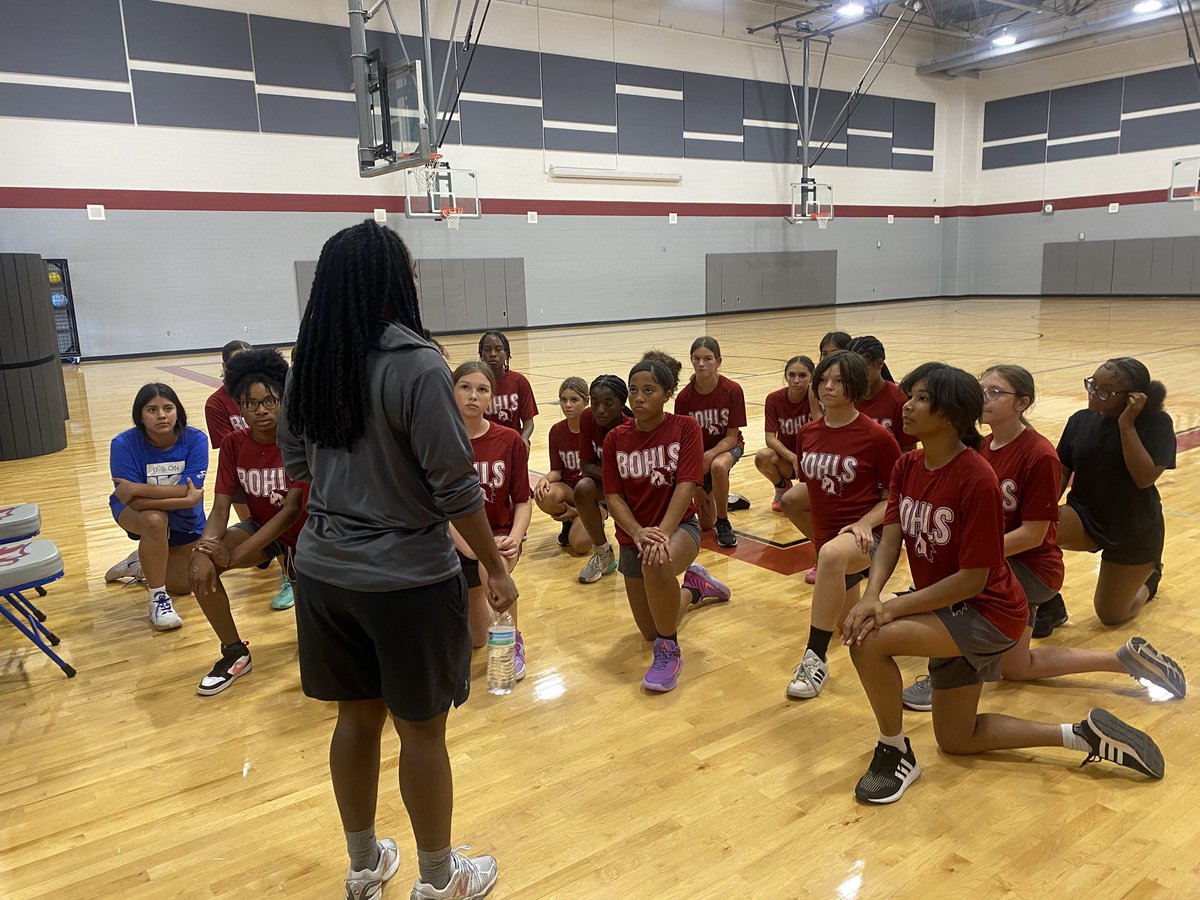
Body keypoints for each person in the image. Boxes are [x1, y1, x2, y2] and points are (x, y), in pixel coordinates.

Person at [278, 221, 513, 899]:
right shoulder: (416, 363)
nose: (414, 281)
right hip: (406, 579)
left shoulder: (309, 363)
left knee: (355, 719)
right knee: (422, 732)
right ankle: (439, 881)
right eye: (408, 271)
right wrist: (496, 566)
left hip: (323, 573)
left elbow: (299, 466)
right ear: (389, 280)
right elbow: (456, 485)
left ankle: (363, 867)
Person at [841, 362, 1164, 805]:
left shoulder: (977, 477)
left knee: (868, 640)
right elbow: (891, 539)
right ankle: (1081, 735)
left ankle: (894, 749)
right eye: (910, 395)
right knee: (958, 737)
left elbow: (974, 579)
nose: (907, 405)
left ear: (951, 414)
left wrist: (893, 607)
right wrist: (875, 594)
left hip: (988, 612)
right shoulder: (907, 466)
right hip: (950, 605)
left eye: (920, 398)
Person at [902, 365, 1185, 710]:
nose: (983, 398)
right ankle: (1122, 660)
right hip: (1042, 541)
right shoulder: (981, 448)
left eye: (995, 392)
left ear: (1022, 403)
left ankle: (948, 674)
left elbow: (1035, 533)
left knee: (967, 592)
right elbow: (1054, 491)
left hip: (1100, 542)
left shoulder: (1036, 452)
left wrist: (967, 555)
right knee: (1018, 668)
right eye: (981, 390)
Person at [603, 354, 730, 693]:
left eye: (649, 390)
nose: (639, 398)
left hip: (678, 529)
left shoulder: (685, 429)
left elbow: (686, 485)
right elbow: (614, 497)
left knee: (657, 567)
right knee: (651, 626)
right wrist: (637, 532)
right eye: (633, 391)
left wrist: (662, 532)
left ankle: (669, 652)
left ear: (667, 393)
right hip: (634, 537)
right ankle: (694, 588)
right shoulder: (615, 438)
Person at [187, 349, 309, 696]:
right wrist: (205, 548)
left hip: (307, 537)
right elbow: (221, 506)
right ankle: (234, 652)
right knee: (199, 568)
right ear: (238, 408)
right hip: (264, 531)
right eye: (250, 404)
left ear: (283, 400)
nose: (261, 411)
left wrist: (236, 553)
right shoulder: (233, 443)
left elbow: (291, 511)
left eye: (269, 401)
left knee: (314, 650)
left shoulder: (299, 439)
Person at [786, 351, 900, 700]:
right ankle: (904, 601)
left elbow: (895, 497)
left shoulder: (876, 437)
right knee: (847, 624)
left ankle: (813, 659)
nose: (828, 387)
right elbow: (814, 489)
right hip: (828, 537)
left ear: (855, 387)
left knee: (832, 556)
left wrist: (864, 523)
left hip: (867, 538)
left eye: (838, 381)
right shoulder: (808, 433)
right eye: (823, 380)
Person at [1036, 358, 1176, 634]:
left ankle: (1150, 579)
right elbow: (1061, 472)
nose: (1093, 392)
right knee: (1033, 534)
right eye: (1093, 384)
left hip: (1134, 529)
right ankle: (1049, 604)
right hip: (1085, 514)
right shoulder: (1079, 420)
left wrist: (1127, 425)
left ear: (1133, 397)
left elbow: (1144, 477)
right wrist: (1041, 510)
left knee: (1111, 615)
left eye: (1105, 390)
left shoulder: (1157, 423)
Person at [449, 360, 532, 679]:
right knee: (477, 639)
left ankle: (511, 642)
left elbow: (523, 501)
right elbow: (438, 507)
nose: (473, 396)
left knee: (492, 566)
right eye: (465, 387)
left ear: (491, 397)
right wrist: (465, 544)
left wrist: (516, 535)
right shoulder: (441, 440)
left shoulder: (509, 440)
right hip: (454, 540)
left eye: (482, 389)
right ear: (452, 391)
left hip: (497, 537)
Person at [108, 383, 208, 631]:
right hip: (137, 513)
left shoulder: (196, 439)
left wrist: (138, 487)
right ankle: (157, 600)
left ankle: (141, 565)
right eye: (152, 409)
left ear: (178, 411)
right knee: (155, 519)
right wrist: (185, 497)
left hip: (185, 516)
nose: (161, 415)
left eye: (168, 408)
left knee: (184, 587)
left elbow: (190, 492)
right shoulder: (122, 444)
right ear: (140, 416)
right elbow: (135, 502)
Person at [674, 336, 748, 548]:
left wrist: (709, 454)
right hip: (697, 454)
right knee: (705, 523)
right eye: (696, 358)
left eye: (707, 358)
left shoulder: (732, 390)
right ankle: (726, 498)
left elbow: (732, 436)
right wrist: (697, 465)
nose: (701, 364)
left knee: (718, 466)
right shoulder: (684, 398)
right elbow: (684, 441)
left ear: (718, 361)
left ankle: (723, 522)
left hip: (726, 447)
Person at [575, 374, 633, 584]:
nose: (600, 409)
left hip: (635, 488)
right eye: (595, 402)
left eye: (608, 403)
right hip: (615, 483)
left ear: (621, 403)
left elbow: (635, 475)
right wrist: (614, 479)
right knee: (583, 488)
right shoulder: (587, 418)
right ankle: (603, 554)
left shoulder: (631, 427)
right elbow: (586, 465)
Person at [534, 377, 590, 552]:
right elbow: (557, 470)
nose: (568, 405)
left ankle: (585, 518)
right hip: (570, 490)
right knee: (544, 494)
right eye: (563, 400)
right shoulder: (557, 431)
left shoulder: (595, 430)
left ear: (586, 402)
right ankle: (569, 520)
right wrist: (546, 478)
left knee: (580, 546)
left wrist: (581, 511)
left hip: (593, 495)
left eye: (574, 400)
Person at [754, 356, 814, 511]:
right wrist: (793, 457)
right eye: (791, 375)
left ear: (811, 377)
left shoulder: (816, 398)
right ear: (785, 377)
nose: (796, 380)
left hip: (812, 459)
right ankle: (781, 486)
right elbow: (770, 439)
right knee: (763, 457)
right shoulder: (774, 399)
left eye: (802, 376)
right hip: (788, 460)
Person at [847, 335, 913, 452]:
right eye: (852, 370)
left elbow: (907, 451)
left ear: (879, 364)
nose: (857, 376)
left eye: (862, 370)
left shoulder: (899, 401)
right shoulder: (847, 396)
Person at [478, 330, 538, 447]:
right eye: (487, 350)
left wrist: (524, 438)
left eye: (499, 349)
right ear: (481, 354)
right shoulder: (475, 382)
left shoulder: (519, 381)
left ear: (506, 353)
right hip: (484, 442)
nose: (493, 354)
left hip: (512, 442)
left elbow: (528, 421)